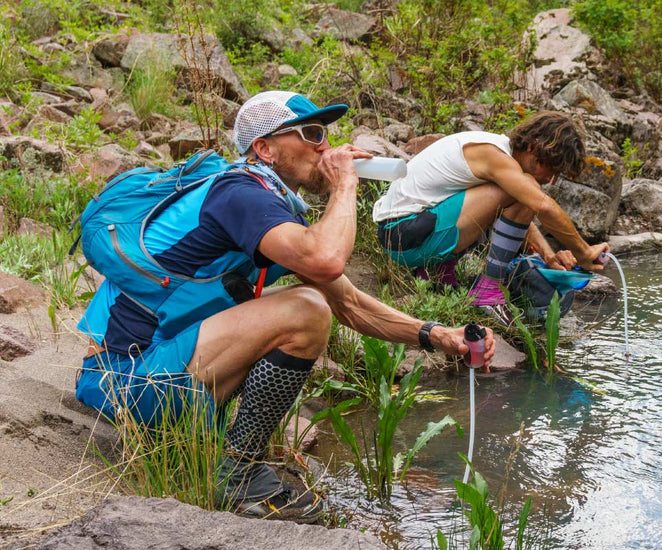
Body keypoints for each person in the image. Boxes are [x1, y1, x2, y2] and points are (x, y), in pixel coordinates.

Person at [74, 91, 495, 524]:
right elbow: (326, 260)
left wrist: (435, 335)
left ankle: (224, 456)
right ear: (265, 149)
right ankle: (236, 473)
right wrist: (346, 184)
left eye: (325, 134)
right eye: (311, 134)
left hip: (146, 370)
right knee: (305, 309)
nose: (324, 146)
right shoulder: (240, 194)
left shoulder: (267, 205)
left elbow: (350, 304)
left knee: (312, 302)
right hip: (128, 384)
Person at [371, 112, 611, 322]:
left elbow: (514, 216)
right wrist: (583, 251)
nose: (551, 180)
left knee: (524, 191)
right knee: (529, 188)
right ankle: (488, 291)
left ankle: (436, 272)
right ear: (534, 147)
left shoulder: (498, 153)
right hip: (406, 235)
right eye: (552, 169)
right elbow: (542, 206)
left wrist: (547, 255)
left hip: (405, 234)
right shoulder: (492, 154)